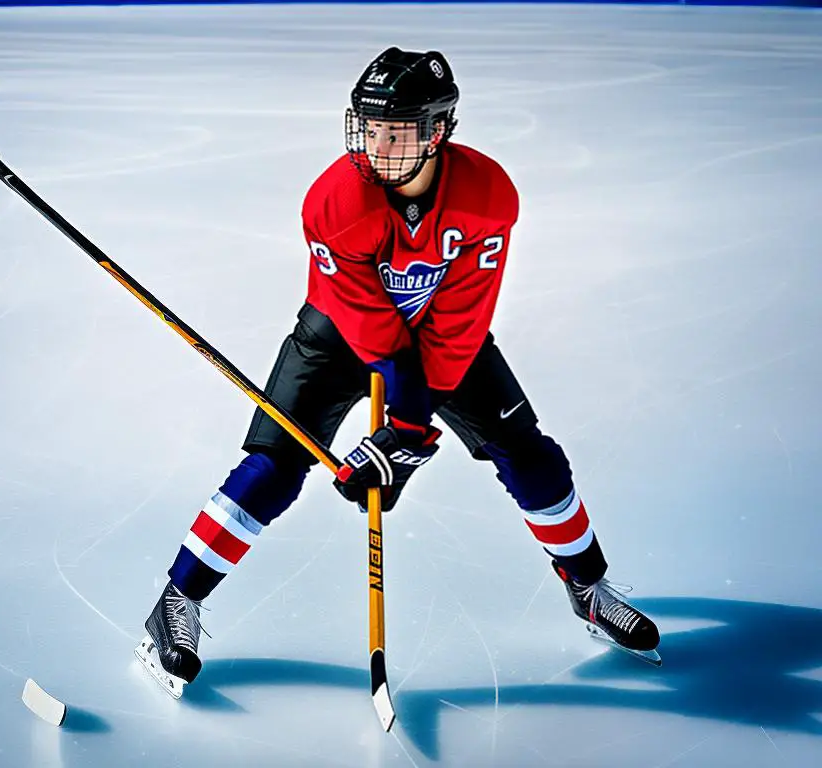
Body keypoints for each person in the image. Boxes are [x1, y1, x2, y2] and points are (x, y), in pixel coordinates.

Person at [135, 47, 660, 695]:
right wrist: (408, 428)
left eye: (398, 132)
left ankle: (588, 586)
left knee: (530, 454)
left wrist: (407, 435)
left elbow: (462, 318)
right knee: (273, 468)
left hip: (445, 336)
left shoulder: (487, 195)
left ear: (438, 131)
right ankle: (176, 603)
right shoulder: (335, 201)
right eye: (370, 129)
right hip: (337, 335)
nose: (377, 147)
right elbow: (371, 329)